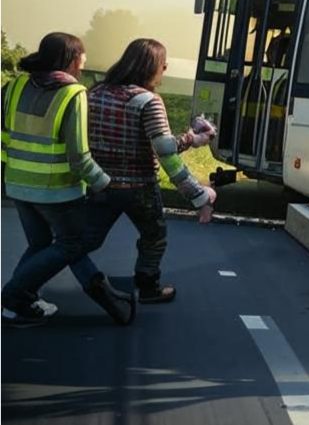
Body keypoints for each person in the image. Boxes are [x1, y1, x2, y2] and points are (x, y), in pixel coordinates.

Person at [0, 33, 134, 327]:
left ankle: (18, 304)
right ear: (71, 60)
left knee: (40, 243)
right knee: (71, 244)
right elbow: (79, 156)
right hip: (56, 189)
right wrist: (105, 183)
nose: (82, 68)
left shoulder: (15, 85)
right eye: (82, 62)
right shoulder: (73, 94)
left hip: (17, 183)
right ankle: (12, 296)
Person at [69, 38, 217, 305]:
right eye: (163, 64)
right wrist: (192, 140)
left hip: (100, 183)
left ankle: (33, 280)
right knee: (154, 236)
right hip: (140, 188)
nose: (166, 68)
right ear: (151, 67)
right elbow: (164, 148)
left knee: (83, 241)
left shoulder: (94, 93)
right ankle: (148, 288)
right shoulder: (148, 101)